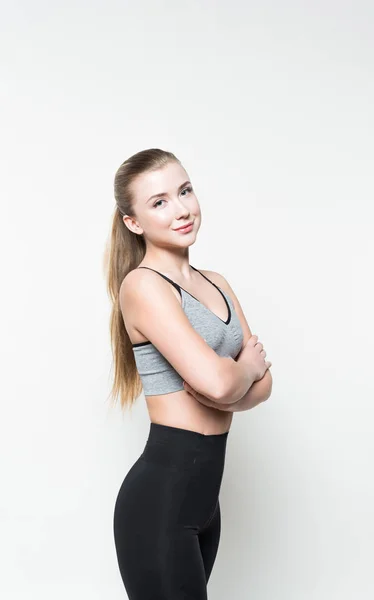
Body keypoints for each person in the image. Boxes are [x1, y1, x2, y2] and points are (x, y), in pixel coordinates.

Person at [104, 148, 273, 599]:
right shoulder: (142, 285)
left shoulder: (217, 282)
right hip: (160, 502)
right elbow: (222, 382)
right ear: (133, 222)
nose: (181, 209)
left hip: (203, 503)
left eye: (184, 191)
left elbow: (261, 385)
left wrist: (228, 381)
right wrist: (238, 373)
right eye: (159, 202)